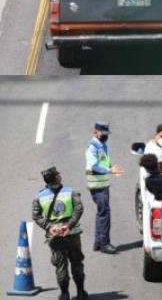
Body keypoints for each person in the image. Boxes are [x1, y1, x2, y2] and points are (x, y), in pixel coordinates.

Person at [32, 167, 87, 300]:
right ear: (56, 178)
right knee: (76, 262)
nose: (59, 175)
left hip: (54, 236)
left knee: (60, 265)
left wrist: (49, 227)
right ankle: (80, 293)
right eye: (58, 174)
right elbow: (79, 209)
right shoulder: (70, 192)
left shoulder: (40, 196)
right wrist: (68, 226)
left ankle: (64, 294)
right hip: (72, 233)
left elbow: (36, 215)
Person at [85, 122, 123, 254]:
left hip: (102, 184)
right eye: (103, 133)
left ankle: (98, 241)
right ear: (95, 132)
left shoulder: (102, 146)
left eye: (107, 134)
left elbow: (103, 163)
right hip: (97, 185)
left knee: (101, 212)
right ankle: (104, 243)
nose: (106, 136)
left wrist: (112, 168)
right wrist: (110, 170)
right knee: (104, 213)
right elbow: (94, 166)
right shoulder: (93, 147)